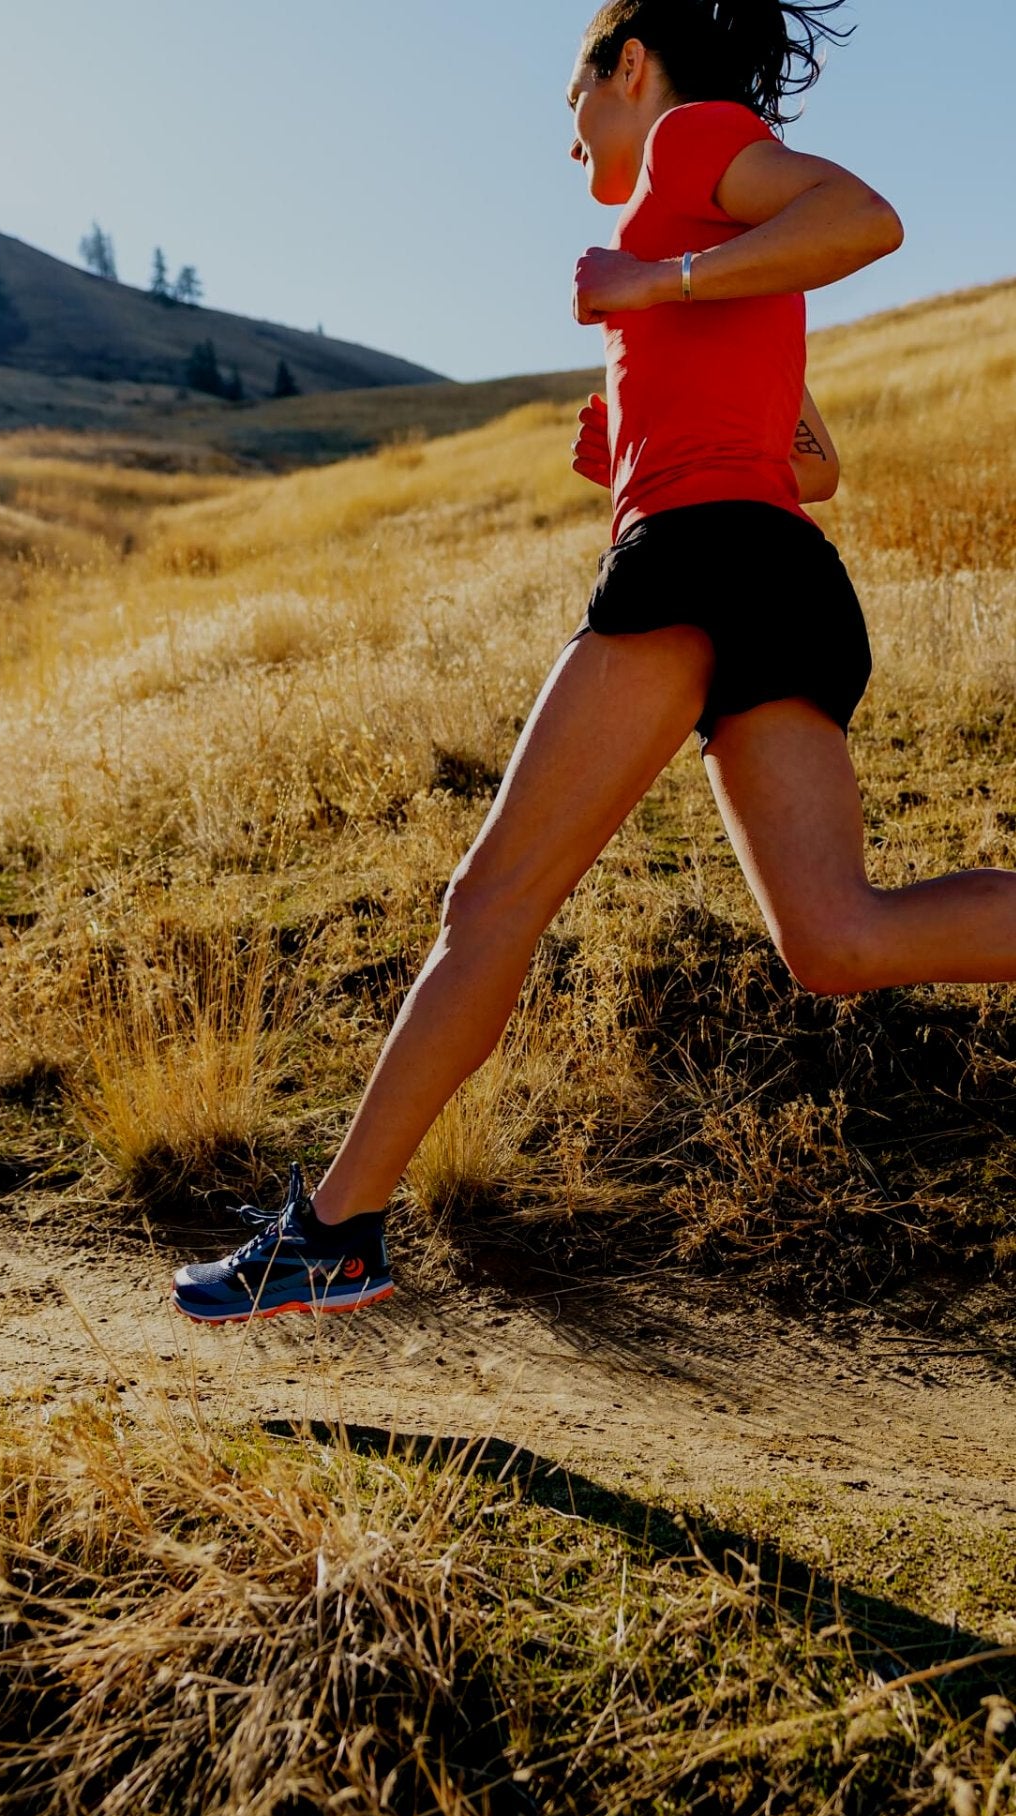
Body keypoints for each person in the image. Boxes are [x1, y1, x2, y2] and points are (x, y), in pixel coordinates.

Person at [171, 0, 1016, 1327]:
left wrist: (653, 294)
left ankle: (330, 1236)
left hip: (705, 565)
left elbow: (869, 219)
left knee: (489, 905)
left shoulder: (691, 141)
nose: (571, 140)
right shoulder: (721, 222)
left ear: (627, 66)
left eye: (573, 100)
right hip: (773, 566)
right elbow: (817, 467)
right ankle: (329, 1236)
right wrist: (645, 427)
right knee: (837, 939)